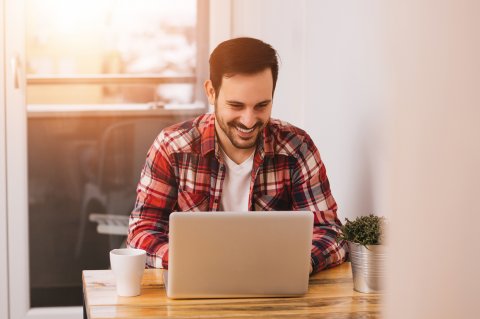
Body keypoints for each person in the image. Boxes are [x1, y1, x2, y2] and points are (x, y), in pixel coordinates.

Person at [127, 37, 347, 274]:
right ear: (211, 92)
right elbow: (141, 232)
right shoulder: (172, 148)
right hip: (196, 286)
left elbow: (330, 232)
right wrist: (190, 262)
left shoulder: (296, 148)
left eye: (261, 105)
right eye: (236, 105)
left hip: (273, 290)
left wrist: (300, 262)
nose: (249, 120)